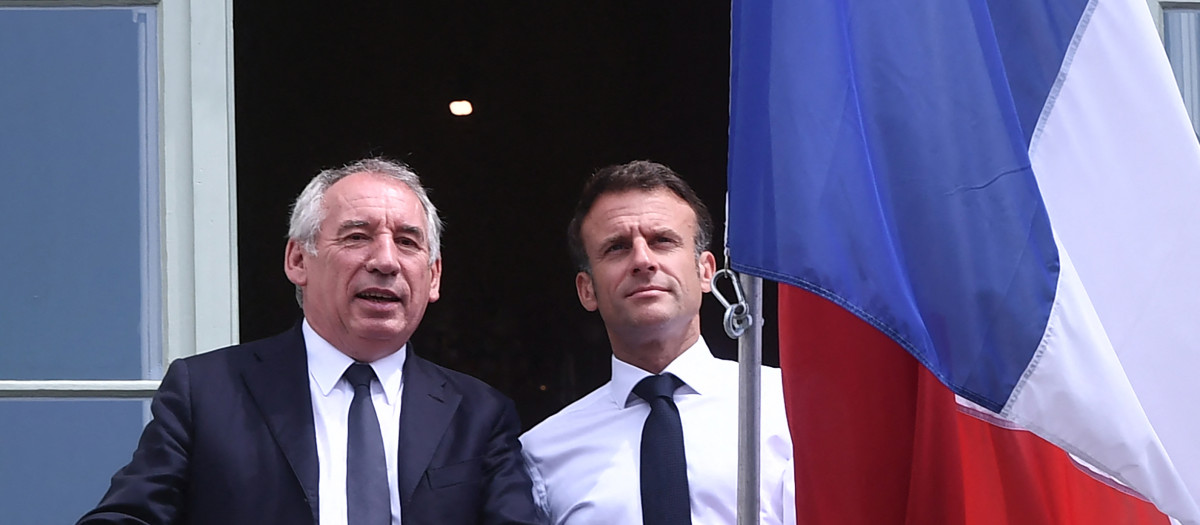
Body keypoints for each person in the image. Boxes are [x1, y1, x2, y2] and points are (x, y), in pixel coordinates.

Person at [79, 158, 541, 525]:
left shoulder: (479, 414)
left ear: (433, 275)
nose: (385, 260)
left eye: (407, 242)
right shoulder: (206, 391)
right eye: (357, 236)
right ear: (298, 260)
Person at [519, 160, 795, 524]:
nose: (642, 260)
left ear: (705, 271)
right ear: (587, 290)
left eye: (662, 241)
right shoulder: (542, 454)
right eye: (617, 247)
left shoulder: (788, 407)